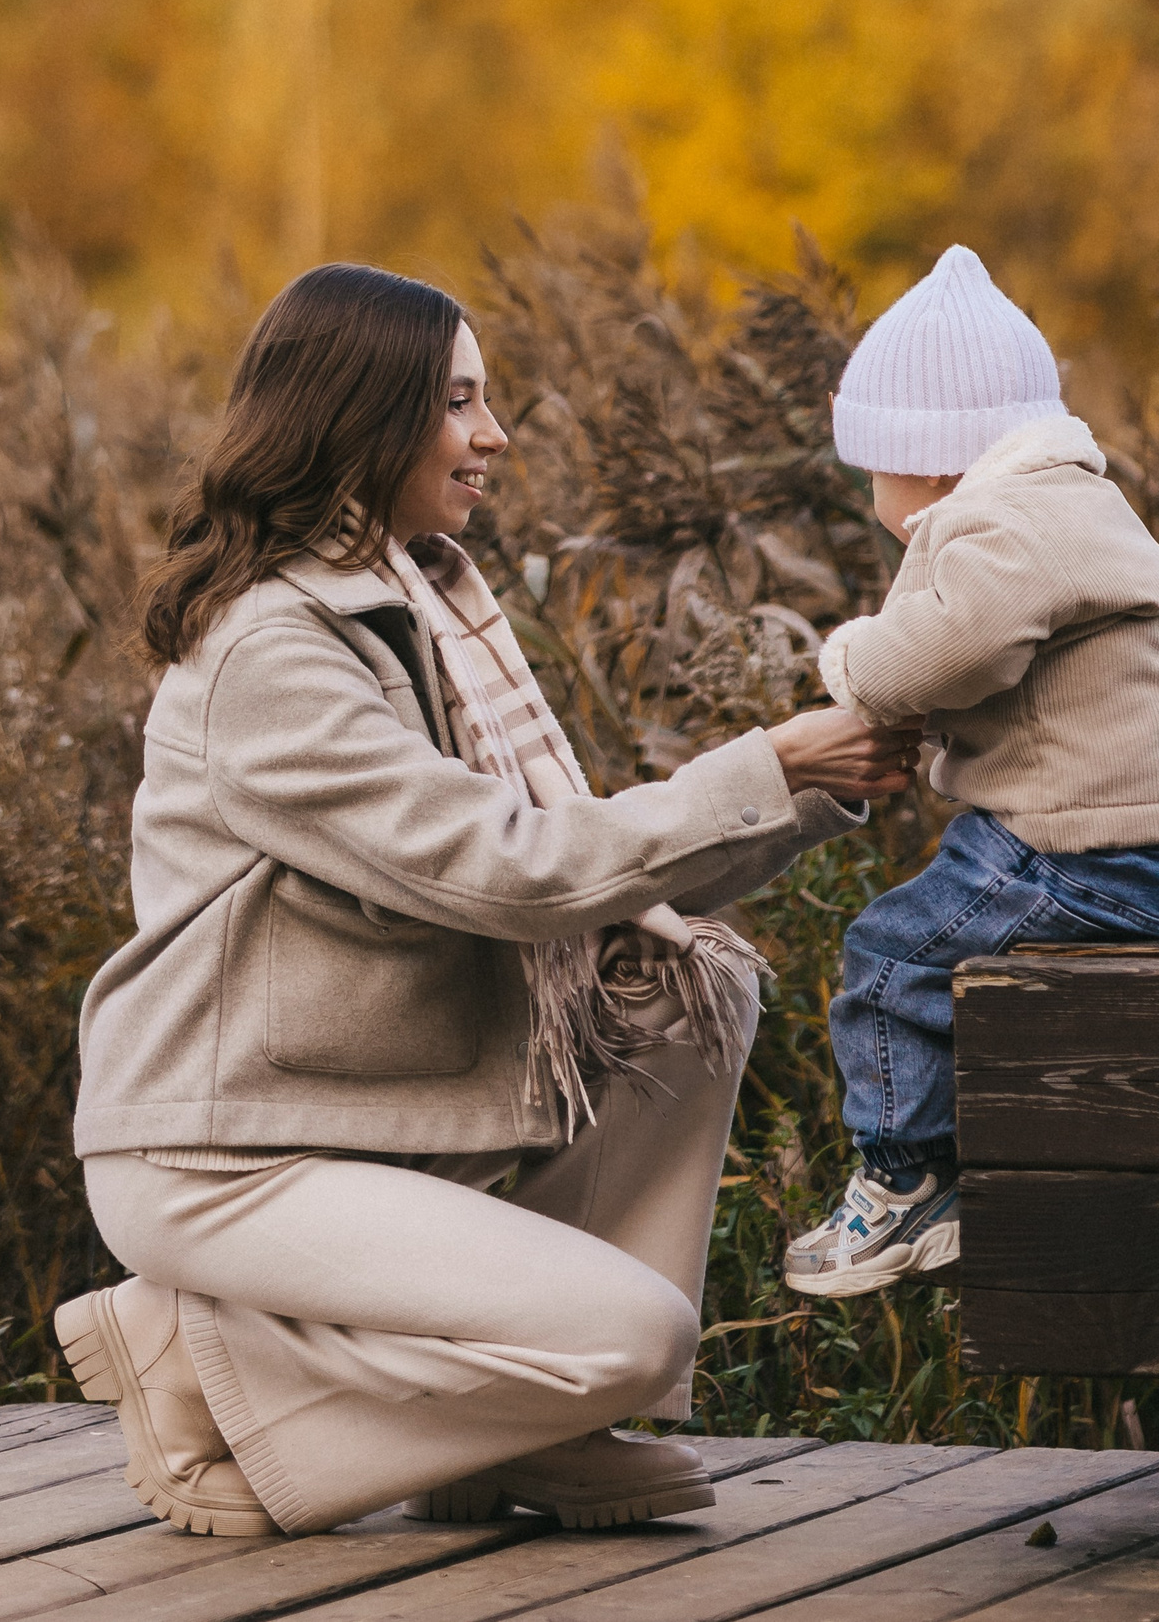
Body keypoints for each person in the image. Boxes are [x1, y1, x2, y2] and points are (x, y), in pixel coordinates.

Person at [57, 263, 922, 1539]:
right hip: (236, 1149)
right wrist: (769, 762)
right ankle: (196, 1355)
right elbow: (506, 871)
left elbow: (587, 869)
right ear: (363, 418)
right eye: (458, 401)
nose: (493, 433)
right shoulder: (273, 652)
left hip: (395, 1106)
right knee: (636, 1334)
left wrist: (803, 795)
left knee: (690, 993)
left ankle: (524, 1432)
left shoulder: (423, 607)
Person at [782, 245, 1159, 1299]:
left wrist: (856, 666)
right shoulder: (1077, 505)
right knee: (941, 954)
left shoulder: (997, 519)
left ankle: (902, 1186)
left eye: (875, 474)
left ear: (931, 457)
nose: (874, 500)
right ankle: (938, 1171)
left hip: (1072, 847)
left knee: (890, 961)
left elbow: (954, 649)